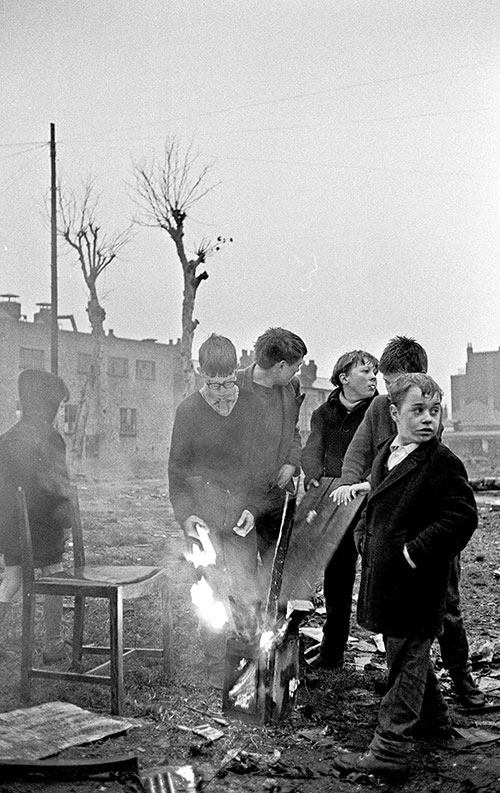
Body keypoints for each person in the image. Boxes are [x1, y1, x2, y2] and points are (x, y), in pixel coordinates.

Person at [333, 373, 477, 778]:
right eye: (418, 410)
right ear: (394, 413)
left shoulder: (443, 463)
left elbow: (461, 516)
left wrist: (415, 552)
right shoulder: (387, 454)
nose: (428, 419)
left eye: (435, 411)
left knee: (407, 663)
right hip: (387, 582)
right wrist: (364, 538)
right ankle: (435, 722)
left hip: (419, 585)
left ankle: (390, 750)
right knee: (404, 655)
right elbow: (375, 503)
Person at [168, 334, 265, 688]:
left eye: (228, 383)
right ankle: (213, 662)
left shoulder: (253, 408)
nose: (223, 392)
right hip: (203, 516)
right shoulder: (188, 411)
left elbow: (261, 469)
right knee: (208, 587)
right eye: (214, 384)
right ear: (199, 373)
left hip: (241, 515)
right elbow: (177, 472)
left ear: (236, 374)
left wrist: (253, 508)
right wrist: (186, 516)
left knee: (243, 585)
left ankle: (244, 659)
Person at [301, 349, 378, 668]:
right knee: (337, 577)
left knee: (379, 580)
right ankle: (333, 651)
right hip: (334, 505)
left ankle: (395, 658)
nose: (374, 377)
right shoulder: (323, 413)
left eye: (375, 372)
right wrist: (313, 477)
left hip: (371, 502)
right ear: (344, 378)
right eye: (366, 372)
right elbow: (311, 450)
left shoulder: (381, 411)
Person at [0, 369, 72, 664]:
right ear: (49, 407)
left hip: (11, 530)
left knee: (12, 578)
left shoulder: (5, 440)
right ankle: (53, 645)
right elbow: (58, 487)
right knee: (54, 572)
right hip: (42, 529)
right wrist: (66, 522)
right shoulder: (52, 439)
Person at [237, 327, 307, 584]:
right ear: (280, 365)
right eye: (296, 366)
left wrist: (291, 461)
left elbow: (295, 433)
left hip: (277, 497)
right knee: (241, 573)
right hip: (240, 500)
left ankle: (274, 625)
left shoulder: (290, 387)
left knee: (277, 571)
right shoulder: (232, 389)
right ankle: (244, 625)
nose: (297, 372)